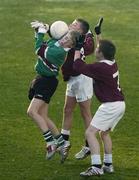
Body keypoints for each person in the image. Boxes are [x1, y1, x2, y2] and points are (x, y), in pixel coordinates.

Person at [73, 24, 126, 176]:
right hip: (120, 105)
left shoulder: (100, 68)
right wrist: (98, 34)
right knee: (104, 134)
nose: (95, 49)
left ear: (101, 54)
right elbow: (103, 48)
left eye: (97, 49)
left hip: (110, 106)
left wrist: (77, 47)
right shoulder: (111, 62)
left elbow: (77, 66)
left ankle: (96, 166)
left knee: (90, 133)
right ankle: (108, 165)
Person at [27, 20, 79, 162]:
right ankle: (62, 144)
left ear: (71, 46)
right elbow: (44, 44)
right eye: (65, 36)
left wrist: (41, 35)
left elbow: (39, 50)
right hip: (42, 79)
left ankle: (50, 143)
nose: (64, 40)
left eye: (67, 40)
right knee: (43, 116)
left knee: (32, 112)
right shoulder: (57, 43)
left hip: (46, 82)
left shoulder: (59, 52)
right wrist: (39, 31)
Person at [61, 18, 95, 160]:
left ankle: (89, 145)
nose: (70, 25)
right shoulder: (69, 36)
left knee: (85, 113)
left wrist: (89, 35)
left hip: (82, 79)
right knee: (67, 109)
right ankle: (65, 142)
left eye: (74, 24)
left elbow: (90, 49)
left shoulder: (78, 41)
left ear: (80, 31)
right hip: (72, 79)